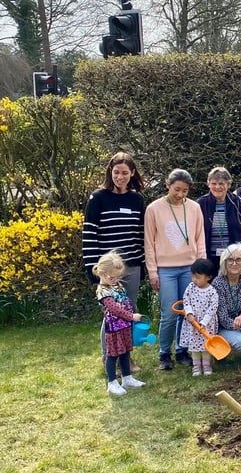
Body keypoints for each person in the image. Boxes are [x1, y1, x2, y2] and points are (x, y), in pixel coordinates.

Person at [83, 152, 146, 373]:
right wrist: (93, 267)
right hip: (108, 269)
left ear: (132, 174)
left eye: (125, 173)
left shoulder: (137, 199)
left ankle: (126, 359)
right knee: (112, 313)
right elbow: (90, 233)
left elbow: (140, 234)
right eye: (116, 172)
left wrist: (143, 264)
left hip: (131, 266)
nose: (120, 176)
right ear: (111, 172)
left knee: (129, 310)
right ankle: (108, 357)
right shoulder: (98, 198)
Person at [145, 168, 206, 370]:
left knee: (187, 312)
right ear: (167, 185)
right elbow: (149, 242)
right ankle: (164, 353)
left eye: (185, 191)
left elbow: (199, 238)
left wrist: (201, 267)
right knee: (169, 314)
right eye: (177, 189)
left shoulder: (195, 208)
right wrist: (153, 272)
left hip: (189, 268)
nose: (180, 194)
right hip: (166, 269)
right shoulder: (154, 209)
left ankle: (182, 350)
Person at [93, 251, 146, 396]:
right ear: (102, 273)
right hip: (114, 328)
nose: (116, 279)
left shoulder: (117, 285)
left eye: (118, 276)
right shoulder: (102, 291)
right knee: (113, 354)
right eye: (112, 277)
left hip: (124, 326)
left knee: (125, 352)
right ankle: (112, 383)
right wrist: (131, 316)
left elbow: (125, 300)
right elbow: (114, 309)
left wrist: (130, 315)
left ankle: (127, 378)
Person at [197, 167, 241, 274]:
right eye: (214, 183)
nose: (217, 187)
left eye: (221, 183)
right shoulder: (201, 203)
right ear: (208, 184)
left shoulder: (237, 202)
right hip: (208, 256)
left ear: (228, 185)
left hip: (232, 258)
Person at [178, 258, 219, 376]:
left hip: (206, 325)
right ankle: (196, 366)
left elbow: (212, 309)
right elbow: (186, 301)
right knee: (194, 345)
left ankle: (206, 366)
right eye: (193, 276)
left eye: (198, 277)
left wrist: (204, 322)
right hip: (192, 323)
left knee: (206, 345)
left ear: (208, 277)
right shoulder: (191, 287)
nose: (194, 280)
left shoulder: (212, 292)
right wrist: (189, 313)